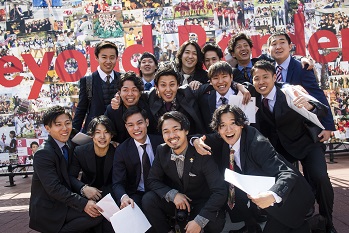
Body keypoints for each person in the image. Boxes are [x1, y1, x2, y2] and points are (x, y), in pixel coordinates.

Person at [193, 105, 315, 233]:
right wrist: (196, 141)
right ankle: (251, 226)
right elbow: (199, 138)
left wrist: (273, 195)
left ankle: (311, 224)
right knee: (232, 185)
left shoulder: (257, 143)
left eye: (233, 123)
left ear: (241, 124)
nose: (228, 129)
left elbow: (287, 174)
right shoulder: (223, 138)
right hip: (259, 194)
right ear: (218, 129)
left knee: (292, 225)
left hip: (290, 197)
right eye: (222, 125)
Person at [251, 60, 336, 233]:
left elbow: (322, 109)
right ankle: (300, 219)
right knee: (290, 183)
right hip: (281, 149)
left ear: (275, 77)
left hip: (306, 144)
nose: (261, 82)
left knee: (320, 178)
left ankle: (328, 221)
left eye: (265, 77)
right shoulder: (252, 96)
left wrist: (309, 105)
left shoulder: (290, 90)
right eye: (256, 78)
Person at [142, 111, 227, 233]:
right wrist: (173, 195)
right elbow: (152, 180)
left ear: (186, 131)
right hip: (178, 203)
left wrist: (199, 221)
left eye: (176, 129)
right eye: (166, 132)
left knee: (215, 222)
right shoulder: (162, 150)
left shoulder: (201, 151)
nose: (171, 135)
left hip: (201, 202)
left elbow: (220, 190)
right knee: (148, 199)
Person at [29, 106, 103, 233]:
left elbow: (90, 140)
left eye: (67, 123)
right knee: (96, 215)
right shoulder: (43, 154)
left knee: (99, 210)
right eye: (58, 125)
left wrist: (110, 143)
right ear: (48, 128)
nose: (64, 128)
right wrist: (83, 204)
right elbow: (54, 188)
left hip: (65, 200)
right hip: (50, 208)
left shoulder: (69, 139)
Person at [267, 31, 335, 141]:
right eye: (274, 44)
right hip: (280, 133)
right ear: (268, 50)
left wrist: (327, 126)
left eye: (282, 42)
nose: (278, 47)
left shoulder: (303, 67)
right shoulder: (267, 70)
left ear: (290, 46)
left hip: (303, 131)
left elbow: (318, 95)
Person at [69, 115, 116, 233]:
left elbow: (120, 180)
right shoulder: (80, 152)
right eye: (98, 132)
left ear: (112, 135)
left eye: (106, 132)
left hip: (111, 194)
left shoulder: (117, 152)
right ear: (91, 135)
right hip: (87, 194)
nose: (102, 137)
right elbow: (70, 176)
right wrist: (83, 188)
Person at [112, 106, 163, 209]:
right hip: (136, 193)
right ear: (126, 127)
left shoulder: (161, 142)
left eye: (139, 123)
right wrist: (124, 197)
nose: (136, 128)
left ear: (147, 122)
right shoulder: (122, 150)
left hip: (161, 190)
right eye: (131, 125)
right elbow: (117, 183)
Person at [227, 33, 313, 85]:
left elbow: (282, 59)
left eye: (246, 45)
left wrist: (301, 58)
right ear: (233, 53)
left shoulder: (263, 62)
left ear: (250, 49)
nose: (243, 49)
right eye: (239, 47)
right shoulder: (231, 73)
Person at [73, 41, 121, 133]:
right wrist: (73, 134)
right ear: (96, 58)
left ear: (116, 58)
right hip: (94, 134)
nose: (108, 61)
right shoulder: (87, 81)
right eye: (104, 57)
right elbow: (81, 110)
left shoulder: (122, 80)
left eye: (112, 57)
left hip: (118, 133)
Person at [196, 61, 251, 133]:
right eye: (215, 78)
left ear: (231, 77)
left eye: (224, 76)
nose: (220, 81)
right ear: (210, 81)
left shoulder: (243, 95)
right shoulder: (204, 100)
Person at [105, 71, 157, 143]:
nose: (130, 94)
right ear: (119, 92)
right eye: (125, 90)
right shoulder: (112, 110)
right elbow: (105, 130)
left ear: (140, 92)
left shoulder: (148, 105)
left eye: (134, 90)